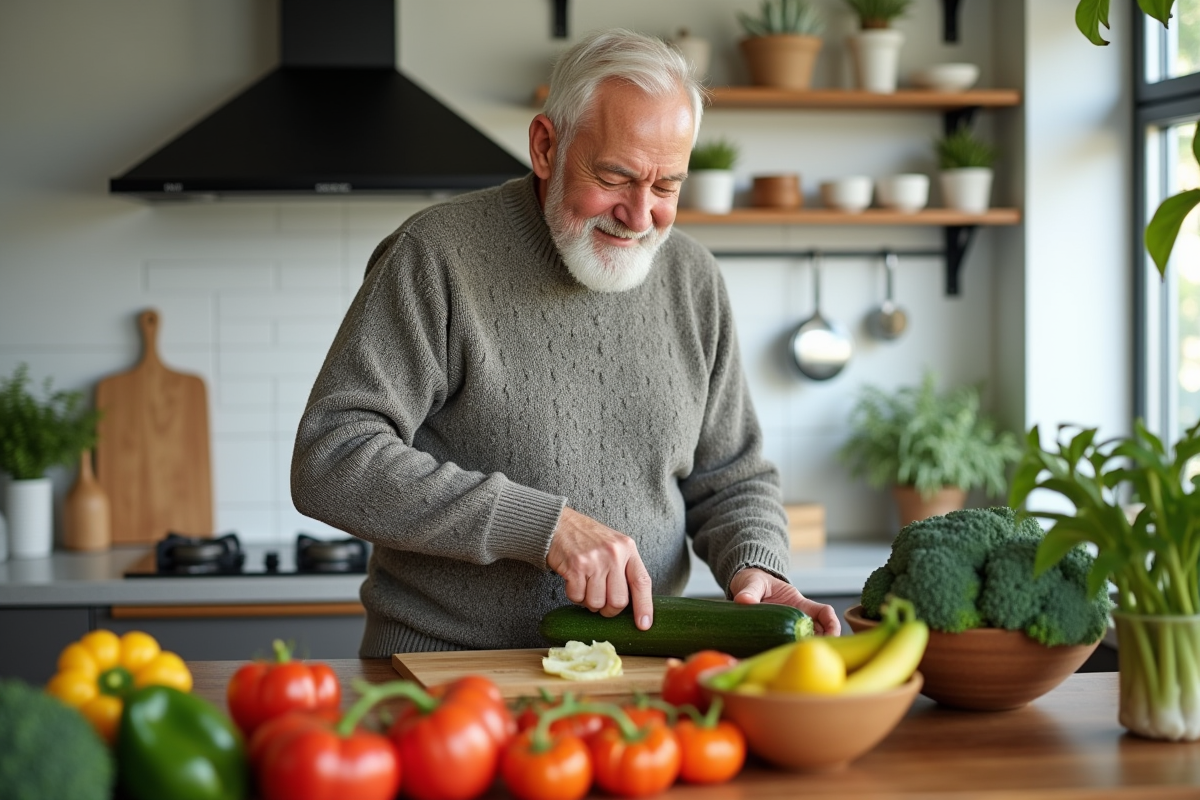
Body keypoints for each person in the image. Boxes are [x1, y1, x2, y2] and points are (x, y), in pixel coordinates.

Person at [291, 28, 841, 657]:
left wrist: (757, 566)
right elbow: (331, 455)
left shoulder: (694, 280)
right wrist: (542, 528)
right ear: (547, 146)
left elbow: (730, 476)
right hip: (447, 673)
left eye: (666, 187)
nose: (639, 216)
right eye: (615, 177)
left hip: (635, 672)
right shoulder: (436, 256)